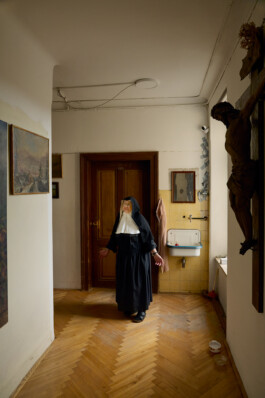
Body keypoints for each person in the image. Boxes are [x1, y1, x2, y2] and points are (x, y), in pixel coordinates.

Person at [211, 72, 265, 255]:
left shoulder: (242, 119)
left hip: (246, 169)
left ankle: (250, 237)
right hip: (237, 170)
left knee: (241, 204)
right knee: (233, 204)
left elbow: (253, 99)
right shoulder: (230, 128)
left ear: (225, 110)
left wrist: (262, 80)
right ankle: (247, 238)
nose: (220, 120)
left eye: (218, 117)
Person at [99, 196, 164, 322]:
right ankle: (129, 307)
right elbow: (114, 236)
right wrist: (107, 249)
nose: (125, 207)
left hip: (138, 258)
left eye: (128, 205)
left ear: (133, 206)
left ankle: (141, 311)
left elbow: (148, 239)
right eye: (124, 205)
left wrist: (155, 254)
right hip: (124, 258)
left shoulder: (140, 219)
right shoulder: (120, 218)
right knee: (126, 284)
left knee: (138, 284)